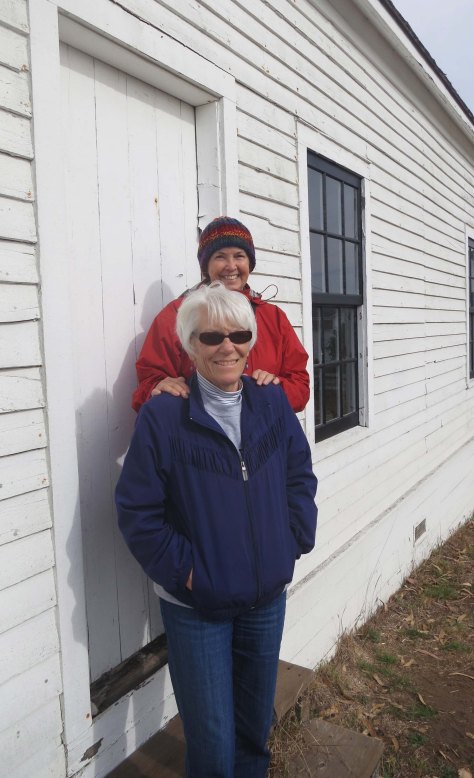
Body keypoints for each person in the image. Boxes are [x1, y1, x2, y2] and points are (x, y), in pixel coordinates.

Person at [116, 283, 317, 777]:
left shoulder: (270, 402)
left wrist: (291, 541)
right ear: (189, 346)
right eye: (211, 337)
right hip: (197, 607)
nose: (227, 346)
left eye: (238, 334)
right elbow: (137, 509)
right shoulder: (165, 415)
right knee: (211, 742)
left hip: (266, 599)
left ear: (250, 340)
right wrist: (186, 571)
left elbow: (299, 475)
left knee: (253, 732)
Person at [132, 216, 310, 413]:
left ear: (249, 263)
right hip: (198, 434)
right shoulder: (176, 316)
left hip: (264, 435)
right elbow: (147, 386)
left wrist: (273, 390)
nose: (231, 266)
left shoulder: (274, 318)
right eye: (220, 256)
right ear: (206, 266)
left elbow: (300, 387)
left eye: (239, 256)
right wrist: (158, 389)